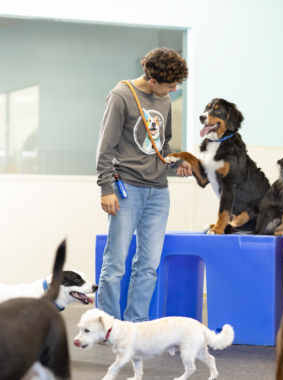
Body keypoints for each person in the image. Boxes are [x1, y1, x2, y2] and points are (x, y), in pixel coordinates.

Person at [96, 47, 192, 322]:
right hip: (127, 188)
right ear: (152, 80)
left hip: (159, 192)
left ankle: (136, 325)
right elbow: (105, 148)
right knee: (115, 263)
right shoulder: (121, 96)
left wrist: (176, 161)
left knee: (149, 265)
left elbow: (163, 144)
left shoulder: (164, 101)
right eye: (170, 85)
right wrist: (105, 188)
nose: (173, 90)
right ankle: (108, 325)